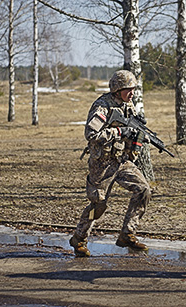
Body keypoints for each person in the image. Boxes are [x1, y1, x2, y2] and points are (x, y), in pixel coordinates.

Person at [69, 70, 151, 257]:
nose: (131, 93)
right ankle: (79, 239)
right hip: (102, 164)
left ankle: (127, 234)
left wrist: (137, 140)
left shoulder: (129, 105)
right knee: (98, 206)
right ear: (117, 89)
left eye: (133, 89)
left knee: (143, 190)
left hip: (122, 161)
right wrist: (119, 133)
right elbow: (92, 134)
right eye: (128, 90)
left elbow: (133, 130)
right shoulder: (102, 106)